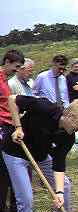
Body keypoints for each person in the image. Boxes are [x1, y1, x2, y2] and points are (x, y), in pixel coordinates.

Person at [2, 95, 78, 212]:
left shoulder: (68, 137)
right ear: (69, 116)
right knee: (26, 200)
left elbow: (59, 164)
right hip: (15, 152)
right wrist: (18, 128)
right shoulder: (45, 108)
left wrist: (59, 193)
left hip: (40, 156)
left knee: (64, 186)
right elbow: (12, 99)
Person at [0, 49, 24, 212]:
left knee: (6, 171)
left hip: (7, 127)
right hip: (1, 129)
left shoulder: (5, 80)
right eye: (16, 66)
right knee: (2, 172)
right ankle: (1, 211)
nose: (17, 70)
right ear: (6, 61)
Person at [8, 58, 35, 196]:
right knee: (20, 160)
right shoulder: (12, 84)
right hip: (18, 125)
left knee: (29, 158)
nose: (32, 73)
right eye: (30, 70)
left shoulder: (30, 83)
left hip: (30, 126)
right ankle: (20, 190)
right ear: (22, 69)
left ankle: (28, 186)